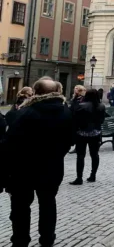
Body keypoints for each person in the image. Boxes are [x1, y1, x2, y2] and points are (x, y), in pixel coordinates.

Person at [5, 77, 73, 247]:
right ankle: (47, 239)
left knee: (21, 208)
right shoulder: (65, 112)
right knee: (48, 204)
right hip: (53, 168)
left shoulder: (25, 112)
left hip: (24, 170)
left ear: (36, 93)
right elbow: (69, 141)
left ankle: (20, 241)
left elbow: (11, 143)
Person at [70, 89, 106, 185]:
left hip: (82, 133)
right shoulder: (101, 106)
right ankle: (93, 175)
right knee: (94, 155)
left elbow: (75, 120)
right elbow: (102, 120)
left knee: (80, 156)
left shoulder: (81, 106)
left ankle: (79, 178)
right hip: (95, 133)